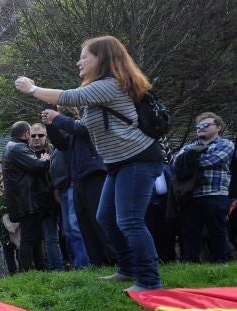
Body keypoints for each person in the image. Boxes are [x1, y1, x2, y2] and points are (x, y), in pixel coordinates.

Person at [15, 35, 164, 291]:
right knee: (105, 217)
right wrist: (57, 122)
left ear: (102, 58)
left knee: (129, 221)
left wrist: (32, 88)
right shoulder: (100, 93)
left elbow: (68, 96)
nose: (78, 62)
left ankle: (150, 280)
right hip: (118, 163)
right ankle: (127, 269)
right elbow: (83, 127)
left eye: (84, 56)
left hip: (138, 159)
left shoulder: (110, 84)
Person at [43, 107, 111, 267]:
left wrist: (55, 118)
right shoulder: (72, 134)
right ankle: (94, 262)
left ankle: (111, 259)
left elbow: (76, 127)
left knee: (95, 221)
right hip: (75, 181)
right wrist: (50, 125)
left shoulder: (84, 124)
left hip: (94, 175)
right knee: (80, 225)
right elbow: (61, 143)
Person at [174, 112, 233, 263]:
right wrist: (187, 161)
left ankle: (221, 263)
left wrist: (189, 161)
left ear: (218, 127)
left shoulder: (226, 144)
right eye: (199, 126)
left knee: (217, 230)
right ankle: (190, 264)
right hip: (191, 195)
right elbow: (176, 164)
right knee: (190, 232)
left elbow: (213, 160)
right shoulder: (189, 146)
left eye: (206, 125)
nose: (201, 128)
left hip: (215, 194)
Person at [3, 121, 52, 272]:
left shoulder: (11, 146)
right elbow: (38, 166)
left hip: (25, 201)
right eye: (31, 134)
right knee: (30, 238)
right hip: (27, 201)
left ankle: (40, 269)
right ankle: (25, 271)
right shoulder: (18, 148)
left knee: (35, 238)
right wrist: (45, 159)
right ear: (26, 134)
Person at [30, 123, 65, 271]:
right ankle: (54, 268)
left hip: (59, 198)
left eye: (40, 135)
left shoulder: (55, 150)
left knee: (66, 233)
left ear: (46, 136)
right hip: (38, 203)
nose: (37, 138)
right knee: (47, 238)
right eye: (33, 135)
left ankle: (67, 265)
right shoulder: (24, 153)